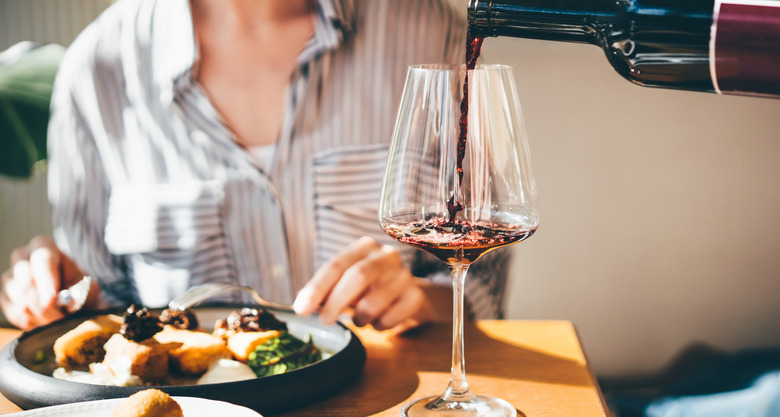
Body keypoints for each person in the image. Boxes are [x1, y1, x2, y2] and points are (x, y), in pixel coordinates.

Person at [0, 0, 511, 331]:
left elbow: (484, 279)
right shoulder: (95, 70)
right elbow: (100, 298)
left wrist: (423, 299)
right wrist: (57, 291)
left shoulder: (430, 32)